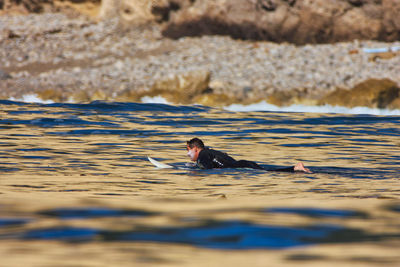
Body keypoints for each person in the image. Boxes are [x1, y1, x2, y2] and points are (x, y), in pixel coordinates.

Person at [186, 137, 311, 173]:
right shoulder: (210, 151)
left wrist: (195, 170)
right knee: (270, 171)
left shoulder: (203, 154)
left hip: (241, 167)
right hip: (243, 163)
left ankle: (296, 168)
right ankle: (295, 168)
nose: (188, 154)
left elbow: (208, 170)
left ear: (196, 149)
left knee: (272, 172)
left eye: (188, 150)